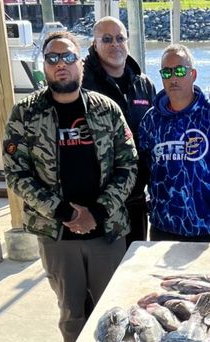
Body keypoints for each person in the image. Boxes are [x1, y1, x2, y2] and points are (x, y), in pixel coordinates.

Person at [3, 31, 137, 342]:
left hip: (105, 231)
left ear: (80, 62)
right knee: (72, 316)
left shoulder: (107, 109)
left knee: (116, 315)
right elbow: (16, 172)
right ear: (44, 66)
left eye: (67, 57)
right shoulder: (25, 114)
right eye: (52, 58)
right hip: (57, 236)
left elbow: (128, 164)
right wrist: (66, 213)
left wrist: (98, 212)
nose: (60, 64)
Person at [138, 44, 210, 242]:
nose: (173, 77)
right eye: (167, 72)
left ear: (193, 74)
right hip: (164, 226)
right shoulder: (150, 120)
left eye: (180, 70)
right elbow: (145, 166)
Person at [82, 16, 156, 248]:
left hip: (135, 198)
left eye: (120, 38)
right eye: (107, 39)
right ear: (95, 44)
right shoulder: (83, 83)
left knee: (134, 267)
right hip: (99, 202)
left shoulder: (144, 84)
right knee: (103, 275)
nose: (115, 44)